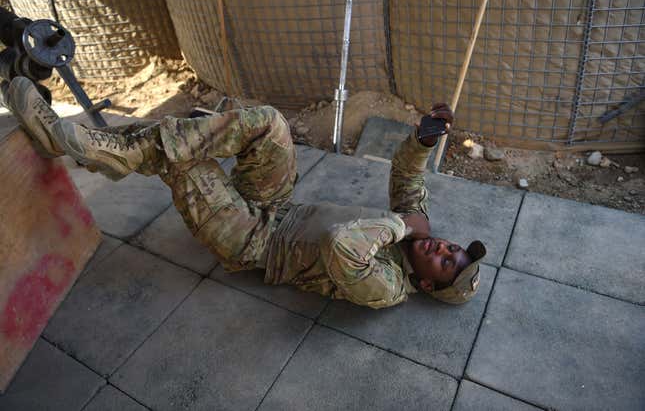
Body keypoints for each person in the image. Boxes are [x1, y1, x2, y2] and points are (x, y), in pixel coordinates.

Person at [6, 76, 485, 309]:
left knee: (184, 161)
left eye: (445, 263)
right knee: (268, 125)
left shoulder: (387, 288)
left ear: (426, 285)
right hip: (276, 206)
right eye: (453, 248)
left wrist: (402, 223)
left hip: (253, 239)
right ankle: (119, 148)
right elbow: (407, 177)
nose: (442, 248)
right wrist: (422, 141)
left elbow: (342, 243)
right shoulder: (418, 237)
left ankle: (92, 147)